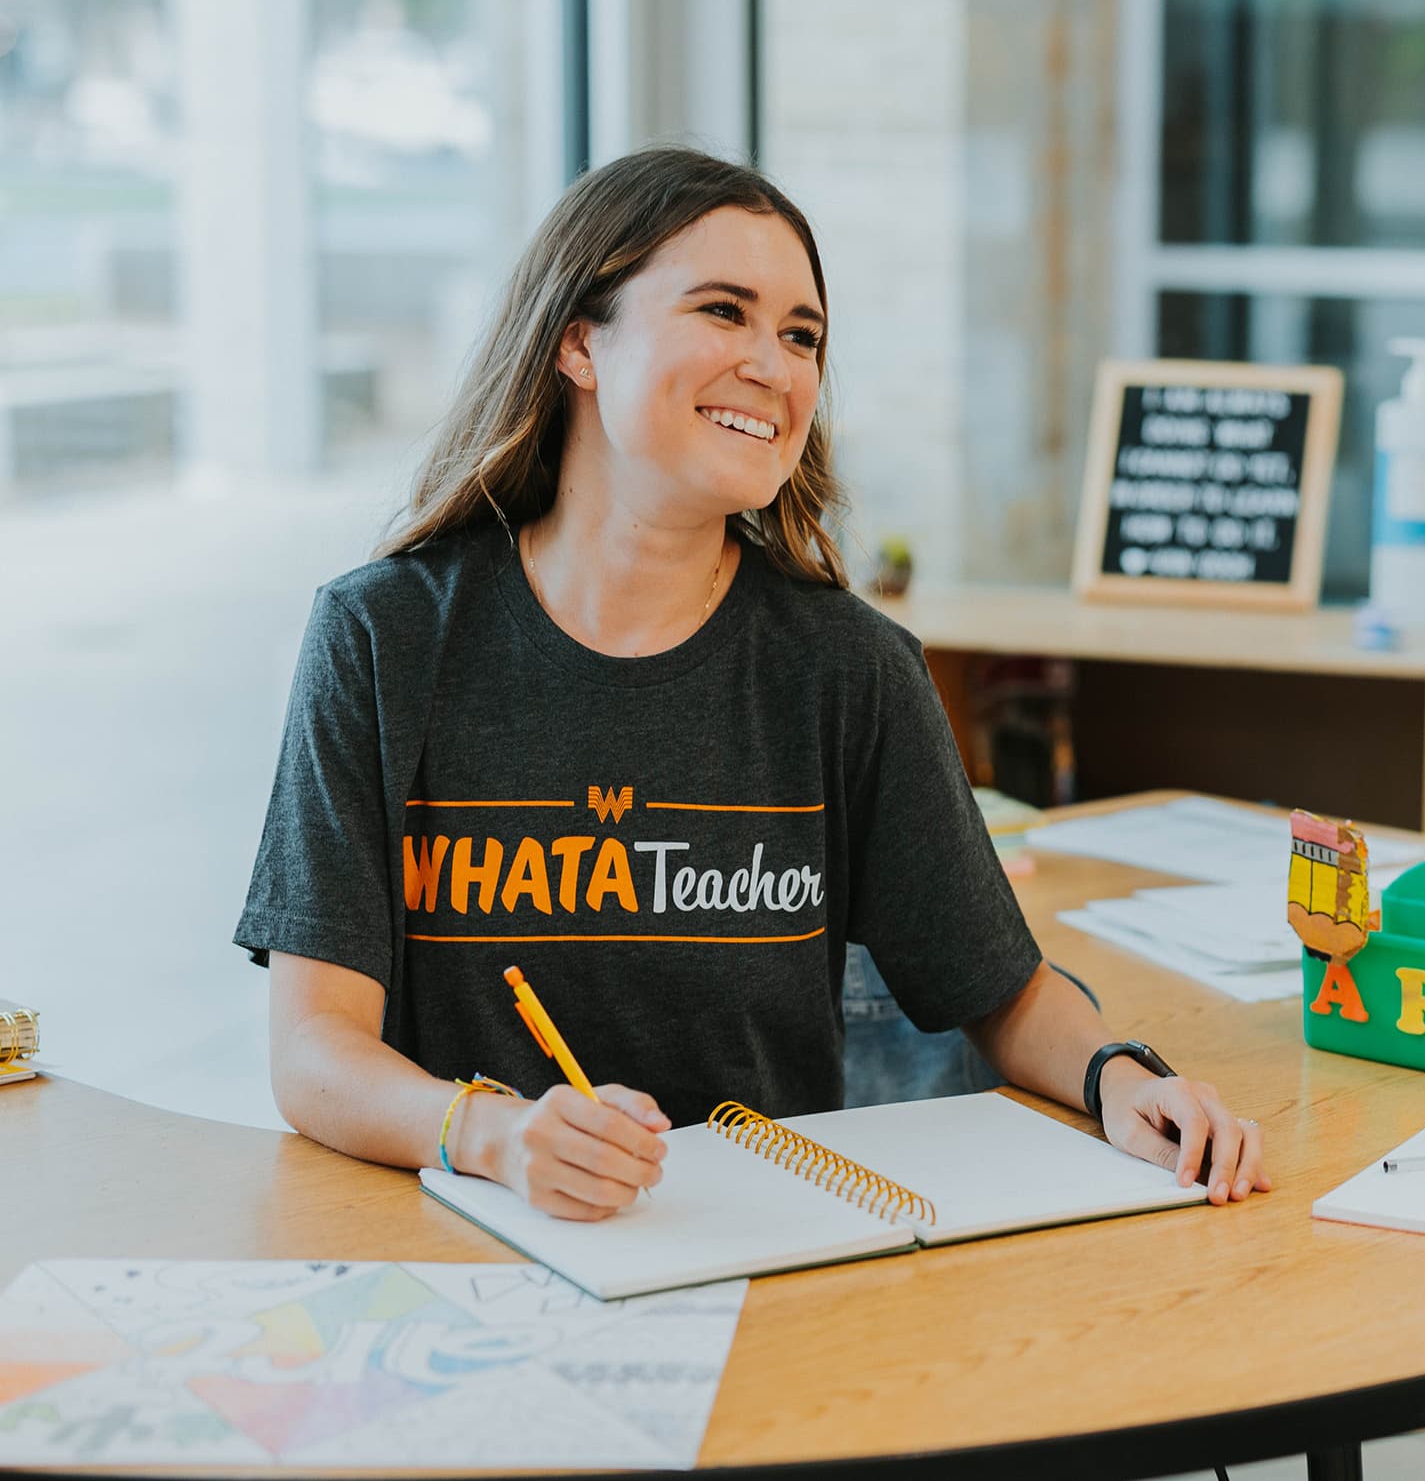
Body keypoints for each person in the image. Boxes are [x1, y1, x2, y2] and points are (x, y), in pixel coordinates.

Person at [236, 146, 1270, 1222]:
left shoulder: (850, 668)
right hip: (464, 1242)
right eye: (723, 312)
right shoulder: (382, 637)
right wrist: (494, 1137)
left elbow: (1000, 995)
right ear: (577, 342)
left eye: (801, 335)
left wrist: (1126, 1083)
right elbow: (314, 1051)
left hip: (767, 1248)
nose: (773, 366)